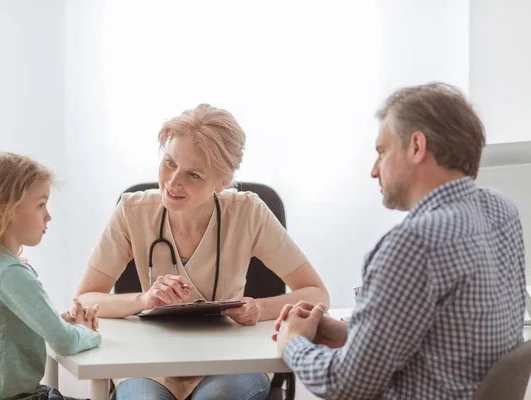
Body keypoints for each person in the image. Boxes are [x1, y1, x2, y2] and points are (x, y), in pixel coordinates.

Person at [274, 82, 527, 399]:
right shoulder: (501, 210)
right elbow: (453, 346)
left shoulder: (414, 243)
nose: (373, 170)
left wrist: (292, 343)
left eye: (381, 152)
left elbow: (348, 384)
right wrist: (354, 335)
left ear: (417, 147)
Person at [75, 103, 330, 400]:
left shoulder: (248, 212)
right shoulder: (133, 210)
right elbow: (84, 299)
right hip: (150, 361)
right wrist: (143, 300)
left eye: (193, 175)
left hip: (231, 359)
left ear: (223, 181)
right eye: (169, 163)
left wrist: (260, 309)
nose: (173, 182)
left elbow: (316, 294)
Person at [0, 152, 102, 400]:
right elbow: (63, 343)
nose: (48, 215)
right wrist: (89, 332)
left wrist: (63, 323)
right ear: (6, 210)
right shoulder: (10, 273)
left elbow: (13, 327)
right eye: (41, 204)